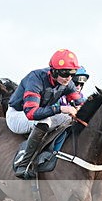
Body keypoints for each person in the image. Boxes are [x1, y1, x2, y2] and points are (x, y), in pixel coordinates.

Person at [6, 49, 84, 179]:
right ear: (53, 71)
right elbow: (31, 113)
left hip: (41, 113)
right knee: (45, 121)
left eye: (72, 73)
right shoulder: (35, 79)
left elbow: (79, 103)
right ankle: (23, 164)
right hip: (18, 115)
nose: (69, 78)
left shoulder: (67, 82)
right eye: (65, 73)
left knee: (69, 119)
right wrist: (60, 109)